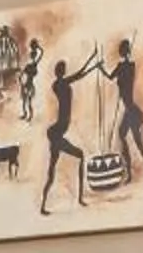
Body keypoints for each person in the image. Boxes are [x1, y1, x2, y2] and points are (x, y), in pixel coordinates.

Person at [40, 51, 108, 215]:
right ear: (60, 72)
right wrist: (92, 60)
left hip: (56, 132)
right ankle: (78, 199)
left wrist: (93, 61)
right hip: (56, 133)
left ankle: (45, 205)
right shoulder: (59, 85)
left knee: (52, 169)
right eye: (63, 69)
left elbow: (79, 74)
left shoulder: (60, 84)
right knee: (78, 156)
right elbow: (80, 74)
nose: (64, 71)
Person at [109, 39, 143, 185]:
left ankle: (134, 173)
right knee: (129, 139)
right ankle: (141, 172)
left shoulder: (127, 66)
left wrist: (102, 69)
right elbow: (113, 77)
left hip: (131, 110)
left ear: (123, 51)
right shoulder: (129, 66)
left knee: (131, 139)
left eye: (122, 50)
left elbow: (113, 77)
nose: (121, 52)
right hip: (130, 110)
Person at [19, 37, 45, 124]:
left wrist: (38, 47)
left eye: (33, 55)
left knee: (27, 102)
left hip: (28, 85)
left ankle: (28, 116)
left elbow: (41, 54)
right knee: (25, 102)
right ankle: (26, 115)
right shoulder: (31, 65)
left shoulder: (32, 65)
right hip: (27, 85)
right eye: (32, 55)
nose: (32, 56)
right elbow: (21, 75)